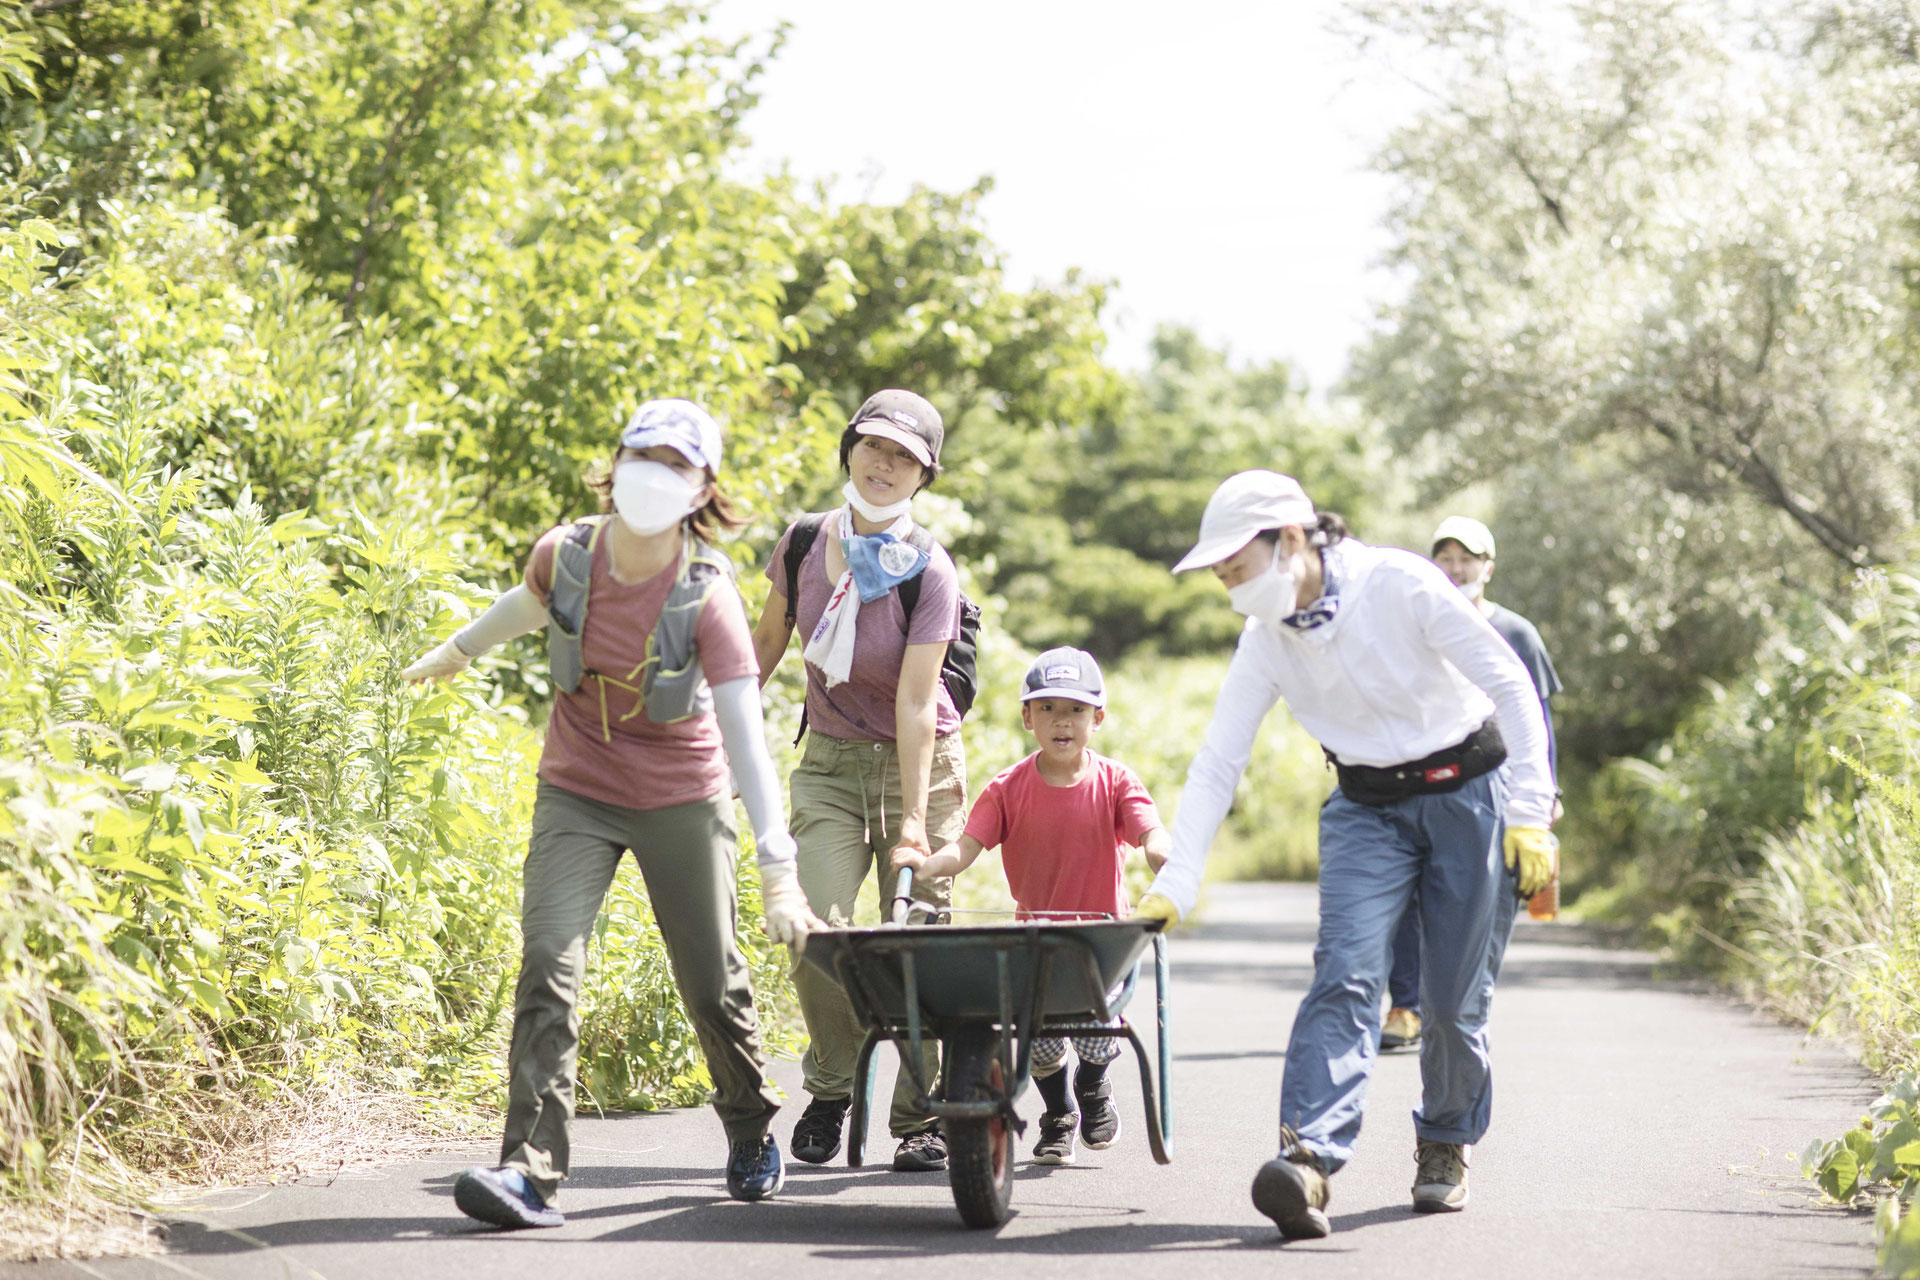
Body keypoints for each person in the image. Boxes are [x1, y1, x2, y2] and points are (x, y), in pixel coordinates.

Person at [400, 399, 823, 1228]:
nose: (653, 476)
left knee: (712, 984)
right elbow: (528, 605)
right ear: (616, 464)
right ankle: (529, 1173)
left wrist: (779, 872)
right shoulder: (567, 553)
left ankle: (747, 1122)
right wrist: (459, 650)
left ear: (703, 486)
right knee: (549, 965)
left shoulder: (708, 597)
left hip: (682, 799)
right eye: (642, 457)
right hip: (577, 791)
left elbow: (747, 740)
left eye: (675, 465)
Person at [1133, 470, 1555, 1237]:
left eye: (1237, 570)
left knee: (1454, 1003)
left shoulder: (1398, 584)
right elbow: (1218, 761)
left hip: (1469, 790)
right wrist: (1180, 880)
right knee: (1347, 972)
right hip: (1366, 808)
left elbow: (1511, 682)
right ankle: (1308, 1161)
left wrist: (1531, 813)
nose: (1231, 591)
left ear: (1291, 540)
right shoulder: (1264, 642)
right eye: (1221, 577)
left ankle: (1446, 1140)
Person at [750, 390, 969, 1173]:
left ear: (924, 475)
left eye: (905, 456)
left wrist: (917, 818)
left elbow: (916, 700)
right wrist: (723, 749)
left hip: (924, 768)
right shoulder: (806, 541)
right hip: (831, 764)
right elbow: (764, 646)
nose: (885, 464)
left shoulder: (932, 571)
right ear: (849, 449)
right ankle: (835, 1086)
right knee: (815, 931)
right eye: (874, 446)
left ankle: (922, 1116)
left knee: (919, 944)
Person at [891, 647, 1170, 1165]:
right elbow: (965, 849)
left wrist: (1163, 855)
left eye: (1076, 710)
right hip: (1036, 943)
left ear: (1097, 718)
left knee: (1095, 1036)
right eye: (1047, 709)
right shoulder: (1007, 788)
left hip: (1098, 943)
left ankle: (1092, 1087)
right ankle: (1059, 1111)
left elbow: (1150, 833)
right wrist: (926, 864)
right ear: (1027, 718)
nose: (1061, 721)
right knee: (1040, 1044)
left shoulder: (1116, 782)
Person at [1380, 515, 1562, 1053]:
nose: (1456, 568)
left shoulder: (1516, 632)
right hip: (1423, 783)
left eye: (1468, 558)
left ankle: (1461, 1005)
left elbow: (1540, 717)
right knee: (1407, 897)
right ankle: (1407, 1006)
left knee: (1477, 901)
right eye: (1446, 557)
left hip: (1502, 786)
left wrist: (1546, 792)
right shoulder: (1414, 624)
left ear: (1489, 567)